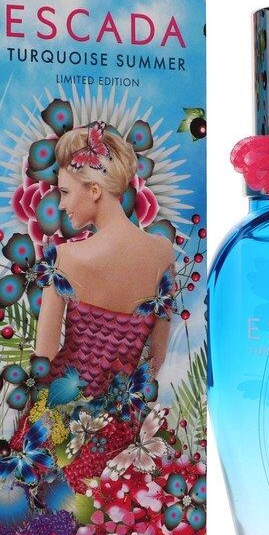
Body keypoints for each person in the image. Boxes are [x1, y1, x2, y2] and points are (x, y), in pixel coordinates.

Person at [34, 123, 175, 397]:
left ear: (94, 190)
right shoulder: (163, 252)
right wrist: (117, 407)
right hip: (121, 413)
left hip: (60, 407)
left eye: (65, 192)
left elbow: (44, 357)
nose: (61, 204)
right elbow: (156, 358)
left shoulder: (65, 258)